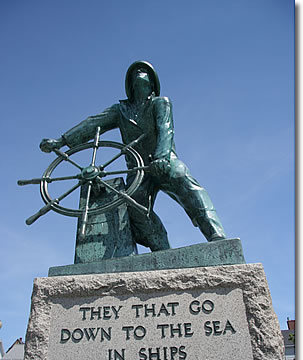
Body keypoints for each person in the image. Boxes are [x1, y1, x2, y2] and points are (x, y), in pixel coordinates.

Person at [40, 61, 226, 251]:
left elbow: (166, 130)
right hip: (138, 170)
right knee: (133, 208)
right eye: (135, 71)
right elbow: (92, 124)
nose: (139, 72)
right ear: (130, 84)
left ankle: (215, 233)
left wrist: (162, 157)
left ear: (152, 83)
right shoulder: (120, 110)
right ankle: (161, 250)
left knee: (184, 180)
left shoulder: (160, 103)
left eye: (144, 71)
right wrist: (61, 141)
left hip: (163, 161)